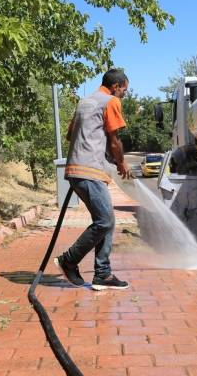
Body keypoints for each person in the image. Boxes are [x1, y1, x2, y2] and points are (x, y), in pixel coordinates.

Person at [54, 69, 132, 290]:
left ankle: (103, 274)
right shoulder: (111, 101)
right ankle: (69, 260)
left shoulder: (84, 102)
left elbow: (71, 135)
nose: (124, 95)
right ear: (116, 86)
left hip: (76, 169)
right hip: (90, 170)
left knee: (107, 222)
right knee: (105, 222)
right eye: (124, 90)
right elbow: (115, 140)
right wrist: (121, 163)